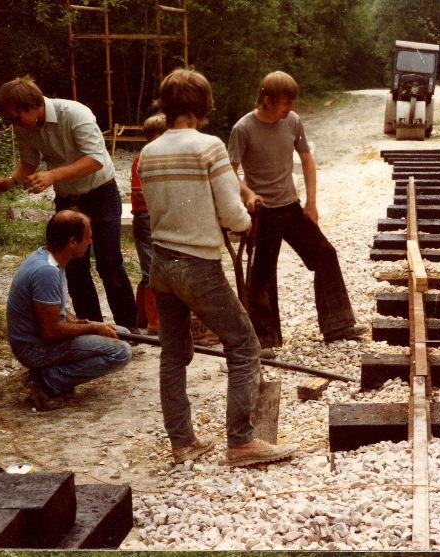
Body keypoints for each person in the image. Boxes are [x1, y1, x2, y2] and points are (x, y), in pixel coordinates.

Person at [139, 68, 297, 466]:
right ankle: (241, 442)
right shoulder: (208, 147)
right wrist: (247, 219)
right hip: (198, 265)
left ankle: (182, 442)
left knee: (172, 354)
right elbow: (232, 214)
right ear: (202, 105)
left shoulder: (149, 154)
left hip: (161, 263)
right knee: (244, 346)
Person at [0, 76, 137, 329]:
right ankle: (93, 328)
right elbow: (29, 163)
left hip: (100, 193)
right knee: (74, 265)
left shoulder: (75, 113)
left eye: (16, 117)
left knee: (109, 263)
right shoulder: (23, 126)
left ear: (34, 105)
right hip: (67, 198)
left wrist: (52, 175)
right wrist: (9, 182)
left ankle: (129, 328)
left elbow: (95, 159)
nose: (13, 124)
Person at [227, 71, 364, 355]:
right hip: (262, 213)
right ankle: (265, 339)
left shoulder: (293, 122)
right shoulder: (243, 129)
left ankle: (337, 325)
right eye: (285, 104)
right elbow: (229, 174)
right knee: (262, 275)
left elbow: (307, 159)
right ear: (267, 100)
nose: (291, 110)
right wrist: (248, 194)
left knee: (326, 255)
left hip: (291, 206)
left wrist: (311, 203)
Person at [7, 210, 132, 411]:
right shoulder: (46, 271)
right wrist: (91, 328)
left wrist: (81, 323)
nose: (91, 242)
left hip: (40, 340)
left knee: (123, 334)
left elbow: (57, 310)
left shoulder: (50, 259)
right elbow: (51, 331)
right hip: (34, 348)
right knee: (120, 352)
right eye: (88, 237)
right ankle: (46, 381)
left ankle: (50, 375)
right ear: (73, 242)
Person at [130, 114, 167, 335]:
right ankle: (154, 321)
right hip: (146, 216)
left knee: (156, 264)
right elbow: (138, 192)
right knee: (151, 267)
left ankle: (142, 315)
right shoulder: (143, 157)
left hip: (157, 215)